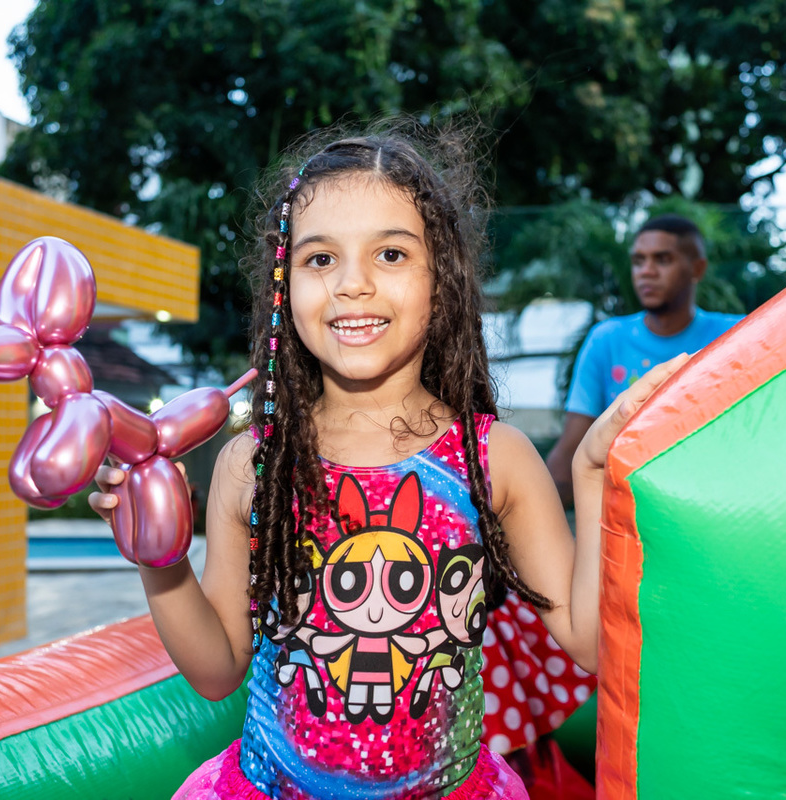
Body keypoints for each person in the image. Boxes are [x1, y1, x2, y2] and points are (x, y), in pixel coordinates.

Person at [89, 125, 686, 800]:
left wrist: (592, 470)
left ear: (442, 279)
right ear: (286, 285)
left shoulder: (492, 458)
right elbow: (217, 671)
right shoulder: (251, 463)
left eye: (392, 254)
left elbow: (587, 644)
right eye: (320, 260)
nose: (352, 285)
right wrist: (157, 559)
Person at [545, 214, 741, 506]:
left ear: (697, 268)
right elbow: (573, 443)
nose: (646, 271)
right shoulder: (606, 339)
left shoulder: (735, 335)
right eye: (638, 261)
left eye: (662, 260)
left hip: (717, 504)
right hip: (626, 511)